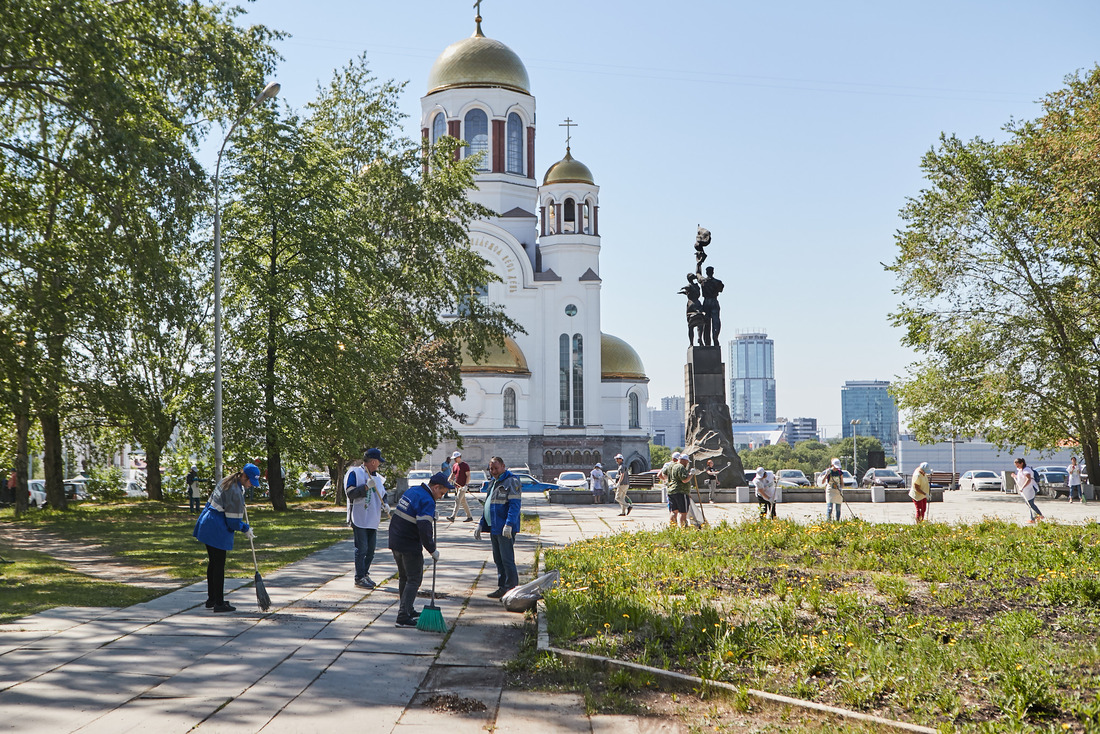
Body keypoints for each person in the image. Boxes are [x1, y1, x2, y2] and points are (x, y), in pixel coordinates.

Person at [192, 463, 258, 613]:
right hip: (217, 527)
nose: (251, 486)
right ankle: (219, 603)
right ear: (244, 477)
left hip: (207, 523)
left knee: (213, 563)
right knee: (219, 565)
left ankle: (212, 599)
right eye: (250, 482)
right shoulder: (235, 492)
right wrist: (245, 528)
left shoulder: (227, 481)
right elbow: (233, 522)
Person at [388, 471, 450, 627]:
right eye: (441, 493)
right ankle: (403, 616)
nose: (441, 497)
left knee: (404, 577)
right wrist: (432, 549)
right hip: (409, 543)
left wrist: (430, 515)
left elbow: (414, 514)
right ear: (436, 487)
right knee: (414, 579)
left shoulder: (414, 490)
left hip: (395, 540)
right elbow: (424, 528)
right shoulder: (427, 500)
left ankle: (407, 608)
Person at [474, 456, 522, 598]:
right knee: (498, 559)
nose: (493, 471)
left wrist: (509, 524)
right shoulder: (493, 483)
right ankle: (502, 587)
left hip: (504, 528)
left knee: (507, 559)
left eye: (496, 468)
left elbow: (515, 506)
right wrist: (481, 523)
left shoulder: (511, 481)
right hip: (494, 527)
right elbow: (488, 506)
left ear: (503, 466)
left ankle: (511, 590)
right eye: (491, 469)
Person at [346, 448, 389, 589]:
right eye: (378, 462)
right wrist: (364, 488)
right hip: (359, 517)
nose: (378, 465)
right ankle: (359, 577)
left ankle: (364, 573)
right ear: (373, 461)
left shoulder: (378, 477)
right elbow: (350, 493)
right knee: (362, 548)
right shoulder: (355, 473)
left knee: (370, 550)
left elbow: (383, 494)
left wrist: (386, 505)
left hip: (372, 518)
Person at [666, 453, 692, 527]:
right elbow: (684, 480)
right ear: (684, 460)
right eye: (687, 461)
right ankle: (683, 528)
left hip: (672, 491)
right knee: (683, 512)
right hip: (680, 492)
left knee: (674, 511)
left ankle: (672, 528)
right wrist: (691, 474)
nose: (687, 463)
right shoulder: (680, 467)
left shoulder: (673, 466)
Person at [1014, 458, 1044, 524]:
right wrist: (1015, 476)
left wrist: (1022, 487)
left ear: (1022, 463)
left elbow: (1028, 479)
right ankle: (1034, 518)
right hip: (1026, 489)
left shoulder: (1026, 470)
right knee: (1029, 503)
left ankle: (1038, 515)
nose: (1017, 467)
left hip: (1031, 488)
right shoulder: (1021, 470)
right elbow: (1021, 478)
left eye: (1018, 465)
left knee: (1030, 503)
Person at [447, 450, 473, 522]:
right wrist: (448, 480)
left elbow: (468, 476)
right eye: (454, 458)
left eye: (455, 458)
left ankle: (453, 517)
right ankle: (469, 516)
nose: (454, 460)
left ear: (459, 457)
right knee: (463, 502)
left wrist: (466, 485)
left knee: (458, 500)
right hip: (457, 487)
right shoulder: (455, 465)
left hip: (463, 487)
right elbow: (453, 474)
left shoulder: (465, 465)